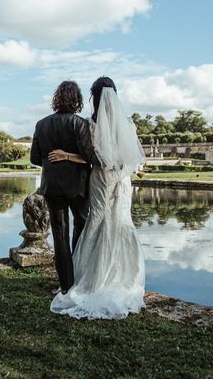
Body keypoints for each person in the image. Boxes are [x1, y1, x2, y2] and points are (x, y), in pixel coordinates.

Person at [49, 76, 147, 319]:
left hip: (102, 178)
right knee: (122, 221)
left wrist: (65, 156)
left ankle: (90, 279)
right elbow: (130, 159)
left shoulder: (91, 124)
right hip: (122, 180)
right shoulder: (127, 123)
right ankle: (126, 276)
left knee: (99, 220)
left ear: (94, 97)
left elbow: (93, 158)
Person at [30, 80, 96, 294]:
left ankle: (66, 284)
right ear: (77, 100)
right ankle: (78, 277)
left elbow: (35, 158)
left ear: (56, 99)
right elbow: (89, 157)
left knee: (59, 234)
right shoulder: (80, 124)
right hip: (77, 185)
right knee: (80, 226)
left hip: (52, 186)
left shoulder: (41, 124)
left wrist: (53, 162)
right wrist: (70, 158)